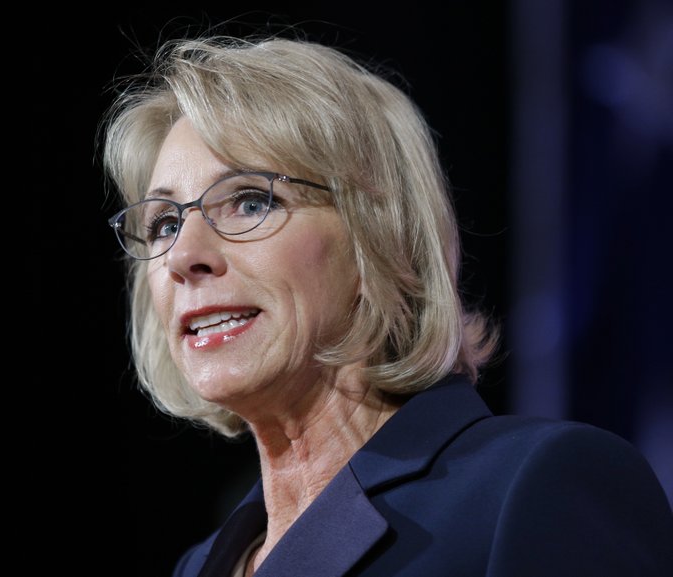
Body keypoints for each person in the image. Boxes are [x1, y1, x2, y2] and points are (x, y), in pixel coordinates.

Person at [99, 32, 673, 577]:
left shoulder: (541, 487)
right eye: (164, 222)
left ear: (377, 237)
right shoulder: (202, 565)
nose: (181, 256)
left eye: (249, 202)